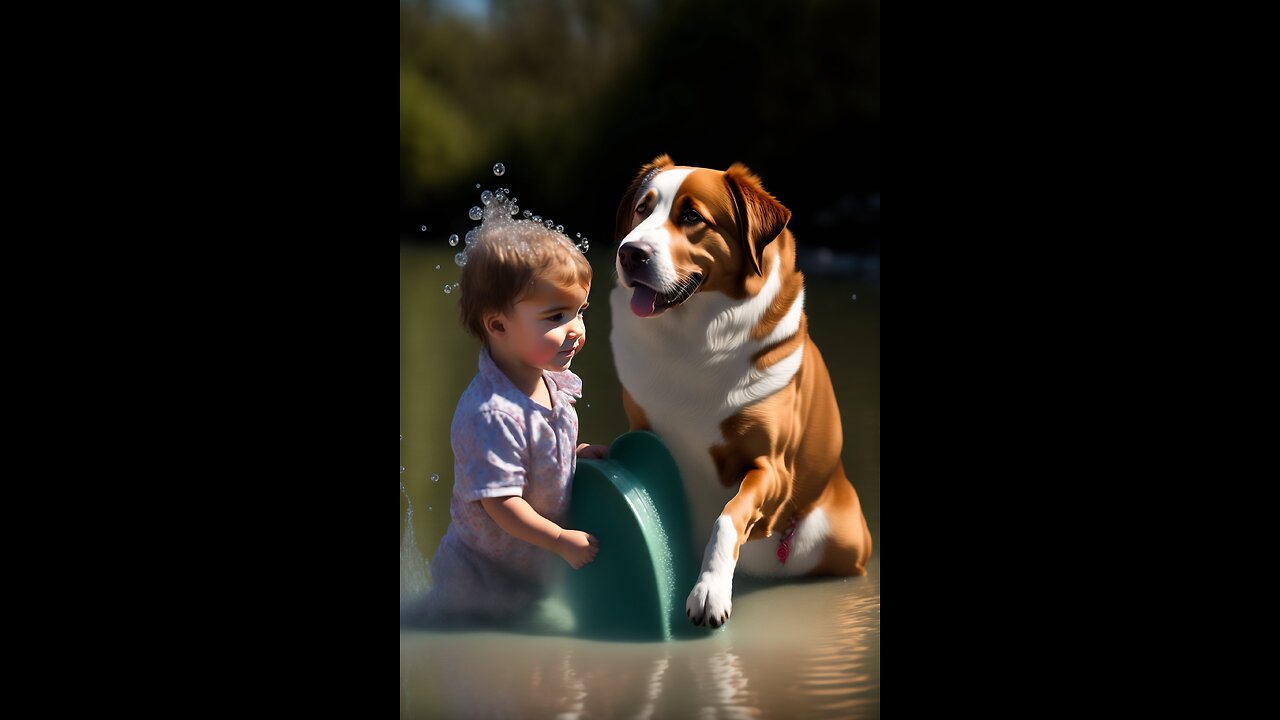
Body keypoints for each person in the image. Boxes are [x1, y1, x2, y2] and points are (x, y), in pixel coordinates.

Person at [417, 218, 608, 625]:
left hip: (525, 571)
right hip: (477, 584)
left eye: (580, 312)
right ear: (498, 325)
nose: (575, 329)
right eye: (556, 316)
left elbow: (534, 459)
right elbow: (502, 503)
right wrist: (558, 539)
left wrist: (575, 455)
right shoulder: (492, 414)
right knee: (493, 677)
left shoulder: (550, 382)